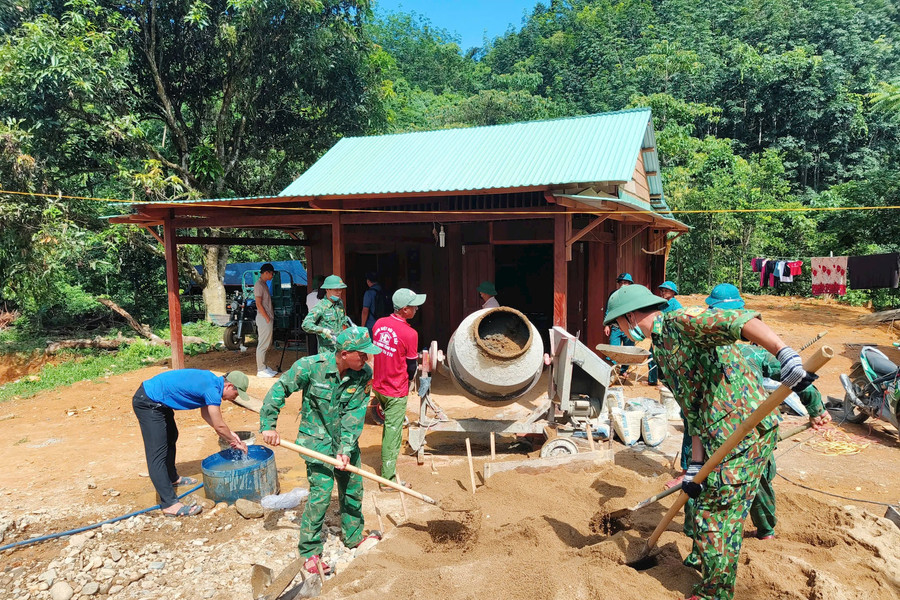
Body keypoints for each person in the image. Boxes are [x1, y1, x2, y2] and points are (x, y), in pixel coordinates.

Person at [604, 285, 817, 600]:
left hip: (745, 432)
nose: (618, 330)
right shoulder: (662, 348)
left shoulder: (679, 322)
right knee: (708, 508)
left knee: (714, 514)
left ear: (631, 317)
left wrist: (783, 352)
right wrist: (695, 465)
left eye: (618, 323)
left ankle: (714, 592)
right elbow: (693, 409)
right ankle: (709, 563)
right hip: (720, 435)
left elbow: (736, 319)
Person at [259, 327, 383, 575]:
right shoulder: (310, 366)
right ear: (345, 353)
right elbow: (280, 389)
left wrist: (346, 448)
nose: (367, 359)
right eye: (362, 355)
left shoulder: (363, 374)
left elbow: (354, 413)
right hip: (316, 442)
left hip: (345, 441)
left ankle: (354, 537)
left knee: (353, 489)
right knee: (321, 495)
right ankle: (310, 552)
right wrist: (268, 426)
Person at [133, 370, 250, 517]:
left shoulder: (212, 381)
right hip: (149, 401)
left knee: (171, 436)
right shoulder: (212, 390)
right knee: (157, 453)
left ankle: (172, 478)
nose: (234, 398)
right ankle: (170, 504)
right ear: (229, 386)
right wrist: (233, 441)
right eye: (236, 394)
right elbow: (219, 425)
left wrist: (230, 434)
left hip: (160, 401)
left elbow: (206, 414)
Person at [371, 288, 426, 490]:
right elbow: (411, 366)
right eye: (414, 306)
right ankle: (388, 480)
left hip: (378, 385)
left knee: (389, 428)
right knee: (393, 433)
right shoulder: (410, 333)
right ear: (404, 310)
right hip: (395, 389)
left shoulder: (379, 324)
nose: (417, 309)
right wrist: (410, 381)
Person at [302, 274, 352, 353]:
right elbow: (306, 325)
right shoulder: (321, 306)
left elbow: (343, 320)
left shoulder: (339, 303)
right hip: (327, 352)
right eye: (336, 290)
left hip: (341, 349)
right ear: (327, 289)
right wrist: (322, 330)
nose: (339, 292)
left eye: (340, 289)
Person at [647, 280, 682, 386]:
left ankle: (666, 381)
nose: (663, 293)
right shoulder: (662, 304)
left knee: (664, 358)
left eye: (666, 291)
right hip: (659, 335)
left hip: (669, 337)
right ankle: (653, 380)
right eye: (662, 291)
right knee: (652, 356)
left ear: (673, 293)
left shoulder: (676, 306)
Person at [602, 273, 635, 376]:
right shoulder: (614, 295)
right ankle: (612, 371)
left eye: (625, 282)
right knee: (613, 351)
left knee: (628, 351)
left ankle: (624, 370)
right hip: (616, 328)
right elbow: (609, 310)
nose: (622, 285)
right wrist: (607, 325)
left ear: (630, 284)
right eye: (621, 283)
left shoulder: (633, 296)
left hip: (629, 328)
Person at [255, 263, 277, 378]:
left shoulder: (263, 284)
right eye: (271, 273)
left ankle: (264, 366)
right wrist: (267, 317)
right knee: (263, 344)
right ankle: (261, 369)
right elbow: (258, 304)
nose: (272, 276)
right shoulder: (259, 285)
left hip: (266, 318)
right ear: (266, 272)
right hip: (264, 318)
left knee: (266, 343)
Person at [360, 272, 387, 336]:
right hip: (383, 323)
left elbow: (365, 310)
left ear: (368, 281)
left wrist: (362, 326)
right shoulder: (383, 291)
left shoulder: (369, 293)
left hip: (371, 324)